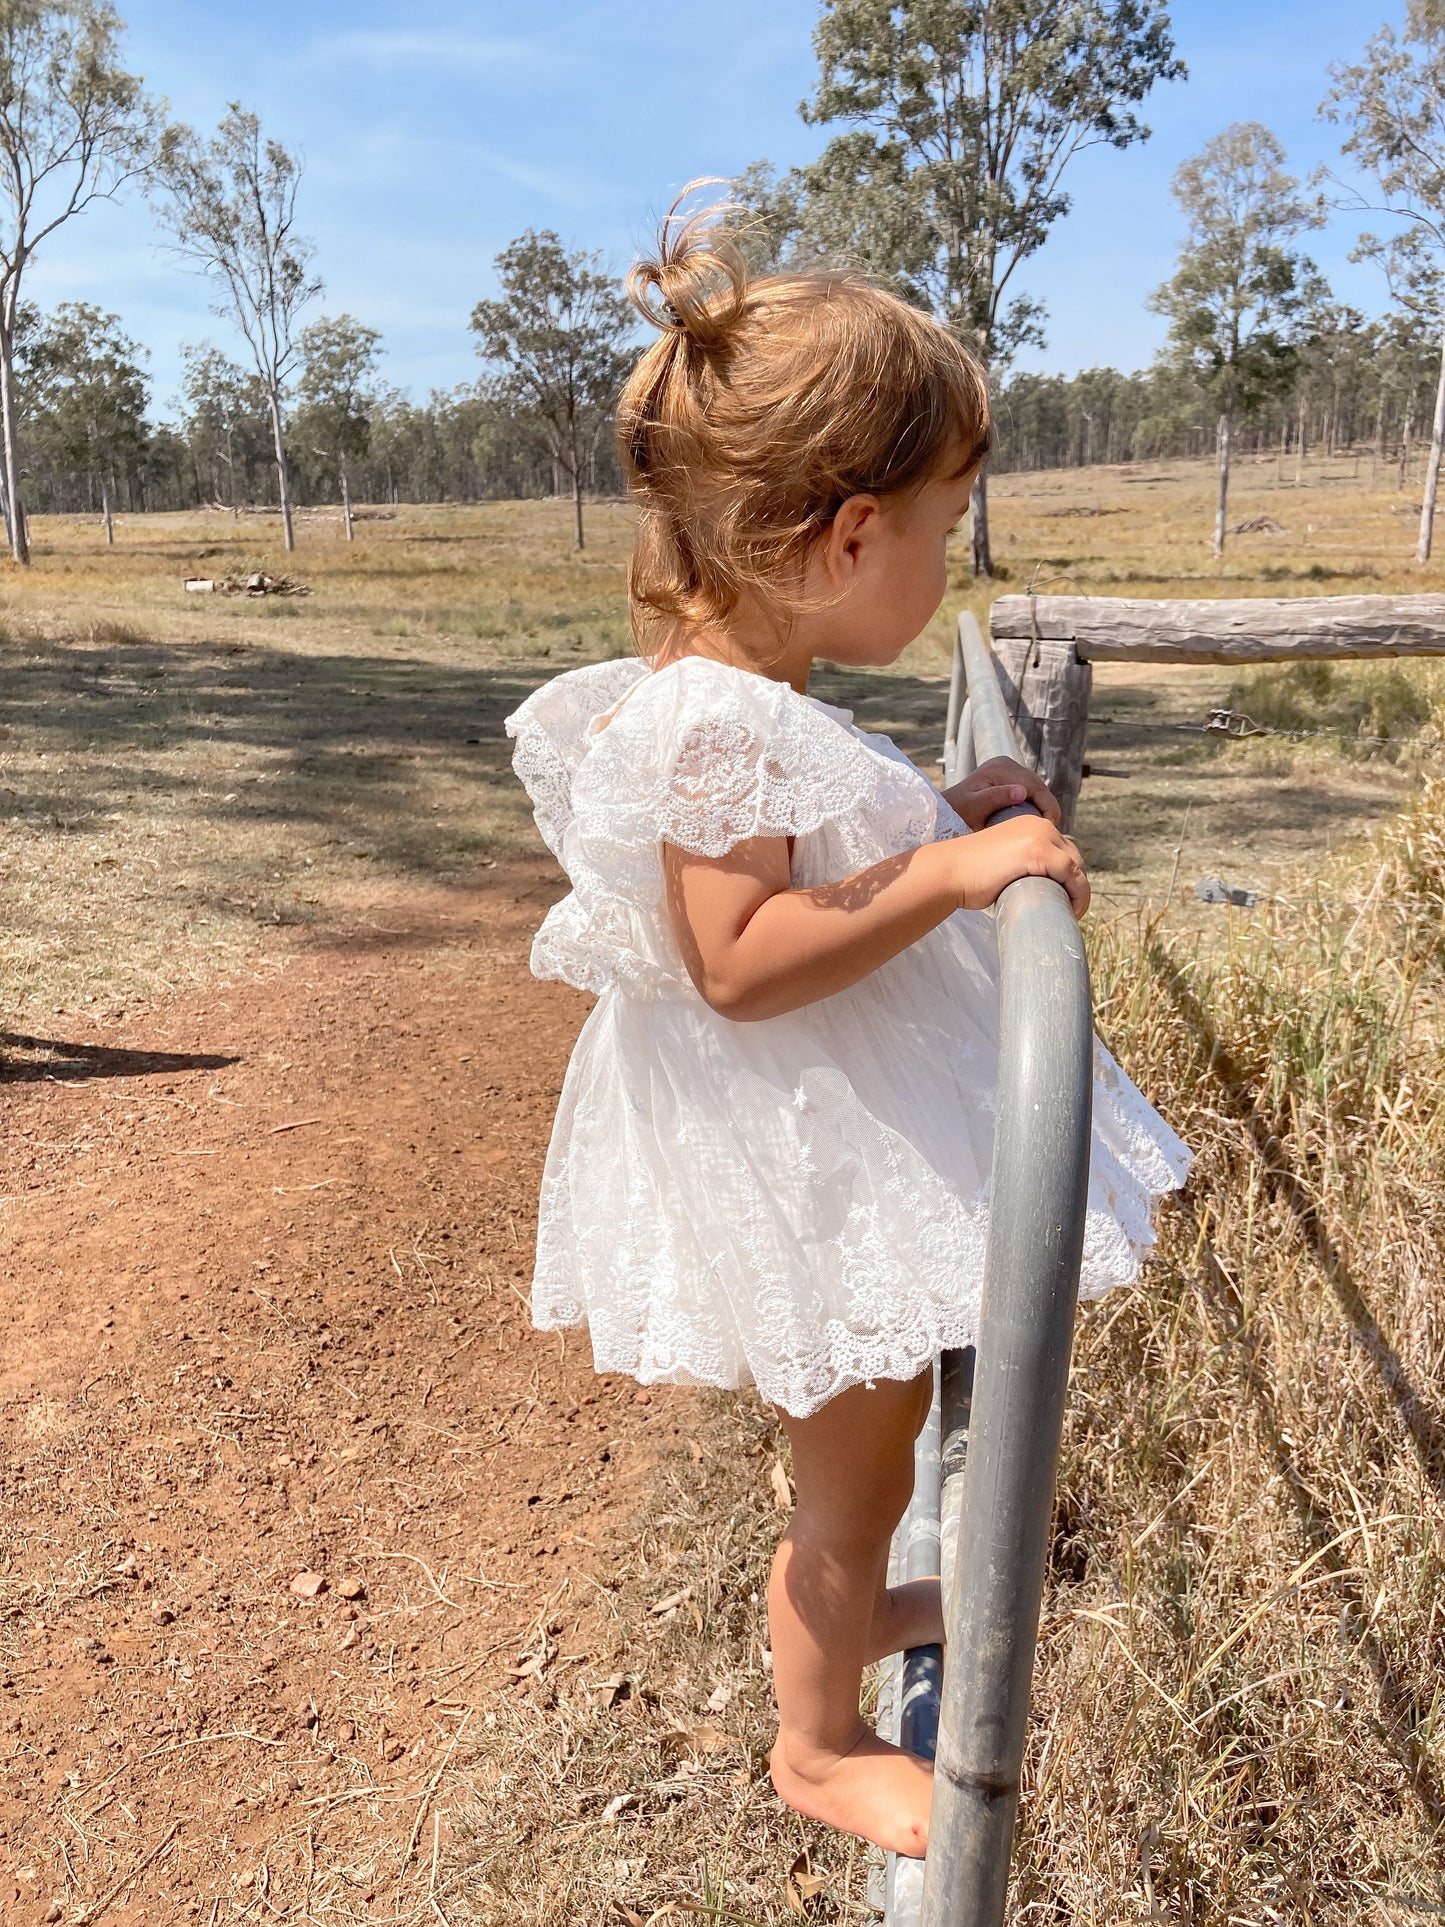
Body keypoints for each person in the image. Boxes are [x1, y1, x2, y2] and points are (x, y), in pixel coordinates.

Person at [504, 197, 1190, 1858]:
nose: (956, 562)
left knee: (869, 1449)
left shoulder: (751, 694)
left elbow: (808, 856)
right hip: (790, 1141)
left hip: (810, 1117)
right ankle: (813, 1749)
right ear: (847, 537)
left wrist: (932, 813)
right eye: (949, 528)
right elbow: (736, 955)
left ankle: (865, 1627)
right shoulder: (718, 721)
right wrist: (953, 872)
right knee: (849, 1476)